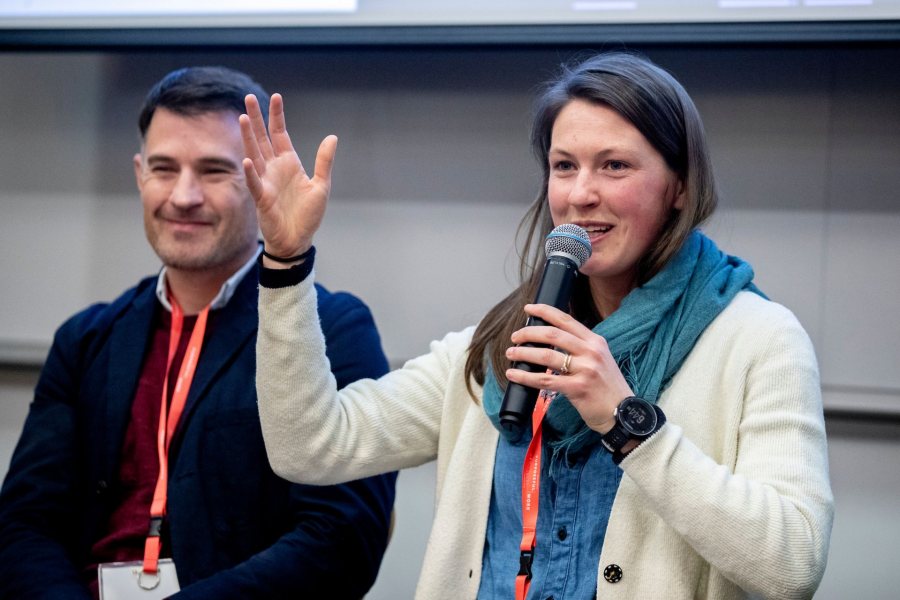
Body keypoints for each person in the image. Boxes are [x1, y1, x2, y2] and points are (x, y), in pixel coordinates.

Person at [243, 51, 834, 599]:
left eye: (615, 166)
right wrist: (286, 263)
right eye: (563, 166)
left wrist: (631, 426)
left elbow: (792, 564)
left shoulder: (757, 340)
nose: (581, 193)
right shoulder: (497, 346)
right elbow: (309, 448)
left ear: (680, 185)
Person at [0, 66, 396, 599]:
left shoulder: (331, 330)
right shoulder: (85, 340)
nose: (183, 196)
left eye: (213, 171)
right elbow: (25, 524)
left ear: (261, 184)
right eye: (164, 168)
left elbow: (340, 538)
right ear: (140, 174)